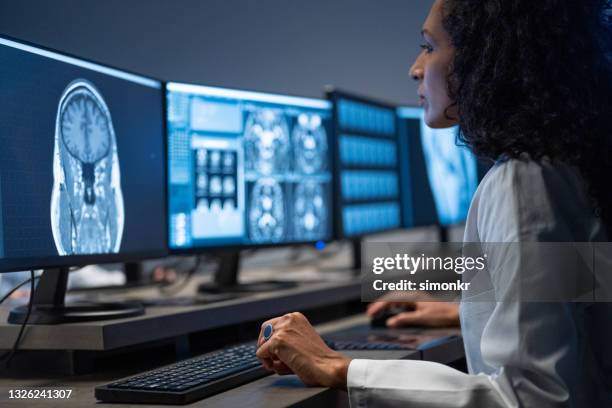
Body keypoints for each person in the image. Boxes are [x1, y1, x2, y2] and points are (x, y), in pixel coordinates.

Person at [255, 0, 612, 406]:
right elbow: (584, 294)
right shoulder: (565, 165)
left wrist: (340, 367)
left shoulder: (522, 181)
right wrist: (469, 309)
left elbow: (531, 398)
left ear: (485, 56)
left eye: (429, 46)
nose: (415, 68)